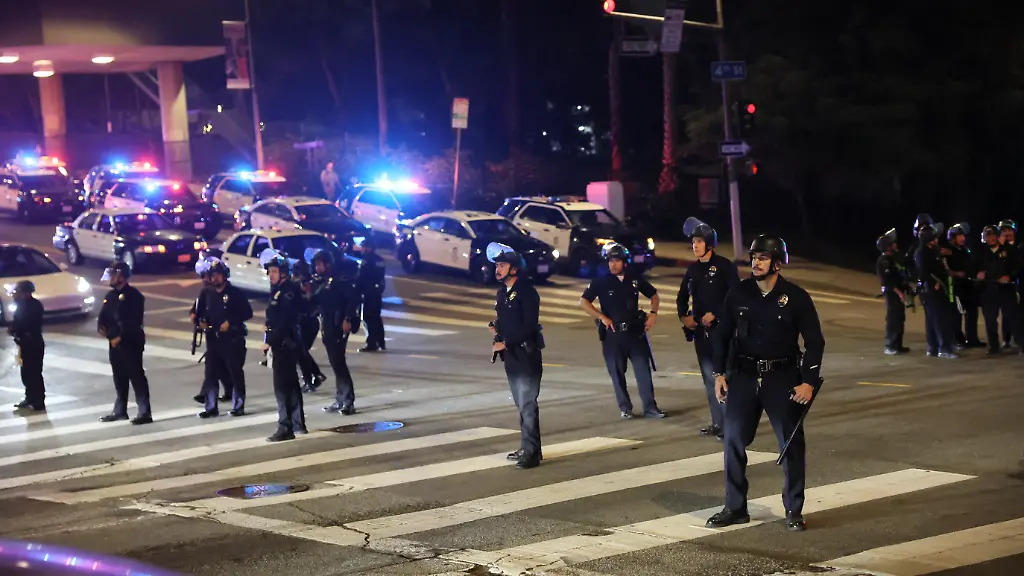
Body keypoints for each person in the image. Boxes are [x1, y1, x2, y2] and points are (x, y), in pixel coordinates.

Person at [706, 234, 825, 532]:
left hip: (782, 378)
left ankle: (794, 509)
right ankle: (735, 507)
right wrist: (719, 374)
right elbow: (722, 336)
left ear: (778, 263)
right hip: (744, 376)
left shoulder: (796, 297)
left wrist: (808, 382)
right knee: (732, 439)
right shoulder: (738, 294)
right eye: (753, 257)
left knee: (791, 444)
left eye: (762, 257)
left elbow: (814, 342)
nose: (755, 262)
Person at [580, 242, 665, 419]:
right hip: (613, 335)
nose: (612, 264)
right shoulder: (601, 281)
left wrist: (653, 314)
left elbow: (654, 295)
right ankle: (625, 408)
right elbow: (583, 302)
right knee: (617, 373)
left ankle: (650, 407)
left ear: (624, 262)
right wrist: (601, 316)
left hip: (635, 333)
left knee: (643, 371)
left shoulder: (634, 279)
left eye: (616, 261)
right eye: (610, 261)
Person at [677, 218, 739, 437]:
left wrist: (717, 314)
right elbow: (682, 297)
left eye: (699, 242)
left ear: (709, 244)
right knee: (708, 379)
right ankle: (718, 424)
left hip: (723, 332)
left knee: (724, 378)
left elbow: (736, 296)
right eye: (693, 242)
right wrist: (684, 317)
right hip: (702, 334)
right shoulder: (693, 270)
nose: (695, 246)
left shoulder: (725, 267)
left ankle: (731, 425)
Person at [488, 242, 544, 469]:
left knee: (528, 404)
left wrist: (506, 342)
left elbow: (529, 326)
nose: (497, 269)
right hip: (511, 358)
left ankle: (531, 453)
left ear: (514, 268)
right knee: (522, 405)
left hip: (527, 356)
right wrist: (497, 330)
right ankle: (529, 447)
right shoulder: (502, 294)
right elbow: (506, 322)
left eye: (502, 265)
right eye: (497, 265)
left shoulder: (527, 292)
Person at [195, 258, 252, 418]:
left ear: (225, 275)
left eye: (218, 275)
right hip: (213, 340)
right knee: (211, 374)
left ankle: (238, 405)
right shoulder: (207, 294)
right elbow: (200, 314)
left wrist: (231, 322)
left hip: (232, 340)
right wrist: (202, 322)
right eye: (213, 275)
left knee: (235, 373)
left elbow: (248, 312)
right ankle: (211, 407)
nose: (215, 278)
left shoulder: (235, 293)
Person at [260, 248, 307, 441]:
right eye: (269, 271)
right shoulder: (280, 289)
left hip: (284, 343)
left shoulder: (287, 291)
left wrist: (269, 341)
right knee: (291, 384)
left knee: (282, 386)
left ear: (284, 272)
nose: (270, 274)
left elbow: (285, 320)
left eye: (274, 271)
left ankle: (285, 427)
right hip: (284, 341)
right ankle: (297, 424)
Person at [97, 261, 152, 425]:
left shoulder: (134, 296)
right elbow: (104, 316)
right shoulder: (111, 296)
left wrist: (120, 337)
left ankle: (144, 411)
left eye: (114, 274)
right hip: (114, 343)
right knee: (119, 376)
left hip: (130, 342)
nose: (111, 278)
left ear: (122, 276)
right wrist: (104, 330)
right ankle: (120, 410)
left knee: (136, 376)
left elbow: (134, 322)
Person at [310, 248, 360, 414]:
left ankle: (348, 401)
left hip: (338, 324)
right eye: (316, 265)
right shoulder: (322, 281)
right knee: (334, 362)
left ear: (328, 264)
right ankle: (340, 399)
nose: (317, 268)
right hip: (327, 325)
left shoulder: (339, 279)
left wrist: (347, 319)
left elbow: (353, 299)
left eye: (319, 264)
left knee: (339, 362)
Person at [191, 260, 232, 404]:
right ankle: (208, 395)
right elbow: (195, 312)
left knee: (222, 367)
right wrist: (199, 321)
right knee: (213, 367)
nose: (207, 280)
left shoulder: (228, 291)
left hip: (228, 337)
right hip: (212, 336)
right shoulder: (206, 292)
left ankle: (229, 390)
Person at [915, 225, 958, 358]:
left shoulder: (933, 251)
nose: (936, 240)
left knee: (933, 320)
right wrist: (935, 283)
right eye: (934, 238)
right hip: (932, 291)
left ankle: (933, 348)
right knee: (939, 320)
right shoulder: (922, 253)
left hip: (935, 290)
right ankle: (944, 349)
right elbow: (923, 272)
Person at [975, 225, 1020, 354]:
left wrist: (1009, 276)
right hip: (988, 290)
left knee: (1013, 318)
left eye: (993, 235)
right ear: (984, 238)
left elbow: (1017, 267)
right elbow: (972, 268)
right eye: (988, 236)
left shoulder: (1009, 250)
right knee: (990, 320)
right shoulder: (980, 252)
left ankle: (1020, 343)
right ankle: (994, 347)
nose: (991, 238)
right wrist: (978, 274)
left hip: (1006, 290)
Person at [8, 280, 45, 411]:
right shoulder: (21, 305)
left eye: (18, 292)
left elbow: (28, 324)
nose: (15, 295)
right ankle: (29, 397)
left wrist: (18, 330)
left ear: (26, 293)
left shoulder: (34, 306)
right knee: (26, 373)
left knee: (34, 372)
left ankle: (38, 401)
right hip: (24, 343)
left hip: (33, 343)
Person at [291, 260, 327, 392]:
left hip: (307, 322)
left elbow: (307, 301)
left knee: (301, 352)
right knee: (301, 353)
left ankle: (311, 378)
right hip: (307, 322)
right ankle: (314, 376)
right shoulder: (308, 284)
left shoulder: (304, 285)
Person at [946, 223, 983, 348]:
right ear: (952, 237)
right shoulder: (948, 251)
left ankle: (972, 339)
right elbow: (945, 269)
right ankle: (958, 341)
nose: (963, 238)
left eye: (963, 235)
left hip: (968, 286)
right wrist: (956, 274)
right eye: (959, 236)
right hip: (956, 287)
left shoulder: (965, 250)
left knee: (972, 314)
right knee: (956, 316)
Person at [875, 228, 911, 355]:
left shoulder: (894, 258)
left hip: (899, 293)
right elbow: (888, 281)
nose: (895, 244)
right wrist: (900, 293)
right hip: (892, 294)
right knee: (893, 319)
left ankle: (897, 345)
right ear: (887, 246)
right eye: (893, 243)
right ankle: (890, 345)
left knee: (900, 318)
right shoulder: (883, 261)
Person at [357, 237, 387, 352]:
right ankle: (381, 341)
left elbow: (362, 278)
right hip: (377, 292)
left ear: (369, 248)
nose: (362, 249)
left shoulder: (366, 260)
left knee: (367, 318)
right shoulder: (380, 260)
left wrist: (357, 291)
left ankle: (371, 343)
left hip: (368, 293)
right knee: (376, 317)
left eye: (364, 247)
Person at [997, 219, 1020, 349]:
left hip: (1017, 282)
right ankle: (1006, 338)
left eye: (1009, 230)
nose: (1007, 233)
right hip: (1004, 285)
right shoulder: (999, 247)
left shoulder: (1019, 246)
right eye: (1004, 231)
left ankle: (1018, 338)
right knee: (1006, 313)